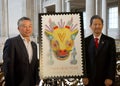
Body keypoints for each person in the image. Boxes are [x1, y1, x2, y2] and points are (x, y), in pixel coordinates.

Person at [3, 17, 40, 86]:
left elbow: (34, 65)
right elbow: (8, 67)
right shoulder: (11, 42)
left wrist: (37, 81)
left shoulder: (34, 45)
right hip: (17, 83)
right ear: (18, 28)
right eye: (24, 26)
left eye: (30, 26)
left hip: (31, 82)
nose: (28, 29)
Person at [83, 15, 116, 86]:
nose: (97, 26)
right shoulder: (85, 41)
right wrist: (84, 76)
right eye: (95, 24)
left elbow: (112, 61)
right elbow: (84, 60)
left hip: (105, 79)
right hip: (89, 79)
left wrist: (110, 77)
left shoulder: (110, 41)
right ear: (90, 26)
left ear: (102, 26)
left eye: (99, 24)